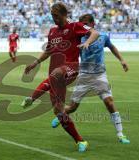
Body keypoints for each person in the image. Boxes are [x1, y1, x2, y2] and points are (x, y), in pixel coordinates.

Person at [22, 14, 130, 144]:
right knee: (73, 107)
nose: (83, 26)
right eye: (81, 23)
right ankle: (61, 116)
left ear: (92, 24)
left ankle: (120, 134)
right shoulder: (77, 37)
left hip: (100, 75)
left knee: (109, 103)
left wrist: (122, 60)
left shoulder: (103, 37)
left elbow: (112, 47)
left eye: (85, 24)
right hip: (84, 75)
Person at [24, 2, 99, 152]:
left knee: (57, 73)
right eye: (52, 16)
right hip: (55, 73)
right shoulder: (52, 31)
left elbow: (94, 33)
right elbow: (49, 51)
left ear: (64, 15)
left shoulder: (74, 26)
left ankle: (33, 97)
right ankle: (80, 141)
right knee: (58, 112)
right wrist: (35, 62)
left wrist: (87, 43)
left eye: (56, 16)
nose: (54, 19)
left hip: (71, 68)